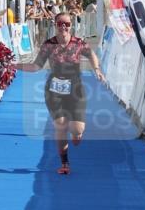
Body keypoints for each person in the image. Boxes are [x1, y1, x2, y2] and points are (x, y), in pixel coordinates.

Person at [17, 11, 105, 175]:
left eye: (67, 24)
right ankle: (64, 163)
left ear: (71, 26)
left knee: (77, 129)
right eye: (60, 24)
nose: (63, 27)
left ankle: (77, 134)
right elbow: (36, 66)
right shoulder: (48, 45)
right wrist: (14, 66)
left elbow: (91, 54)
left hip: (76, 90)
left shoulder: (78, 43)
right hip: (54, 90)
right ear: (55, 25)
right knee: (61, 125)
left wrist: (97, 69)